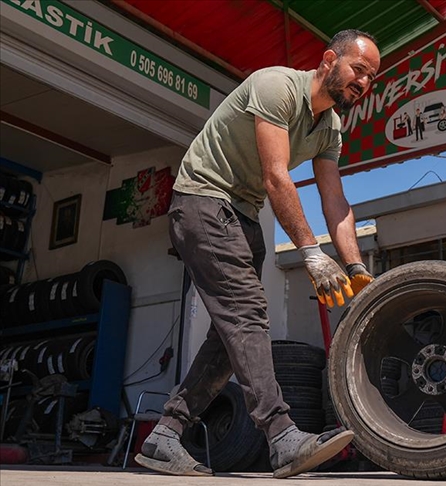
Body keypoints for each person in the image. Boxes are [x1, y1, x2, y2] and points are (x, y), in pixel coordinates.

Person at [134, 29, 379, 479]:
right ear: (329, 60)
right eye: (358, 69)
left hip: (243, 217)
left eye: (371, 77)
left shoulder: (330, 126)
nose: (364, 83)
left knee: (230, 340)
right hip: (202, 201)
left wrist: (356, 267)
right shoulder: (276, 86)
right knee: (247, 315)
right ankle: (283, 436)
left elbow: (335, 199)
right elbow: (275, 176)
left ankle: (163, 435)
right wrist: (310, 251)